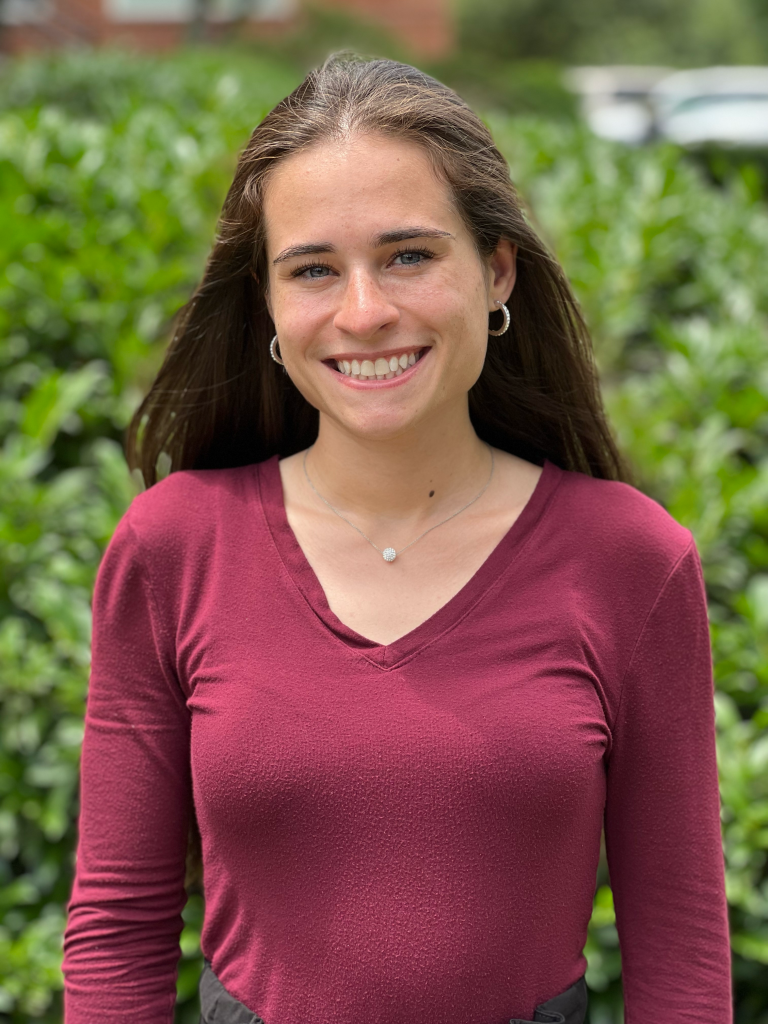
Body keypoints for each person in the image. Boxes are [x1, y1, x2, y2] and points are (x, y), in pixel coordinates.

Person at [62, 54, 732, 1024]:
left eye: (409, 255)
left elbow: (681, 952)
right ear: (269, 304)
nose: (365, 311)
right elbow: (118, 927)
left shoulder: (631, 559)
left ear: (496, 269)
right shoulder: (174, 547)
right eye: (313, 270)